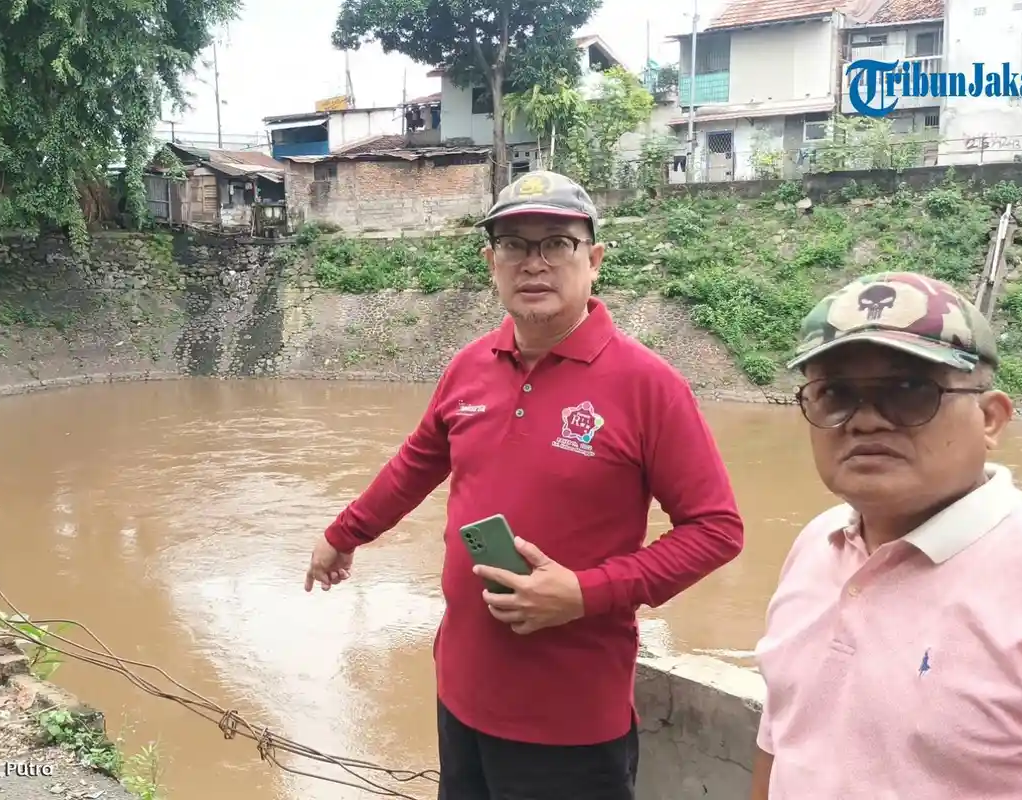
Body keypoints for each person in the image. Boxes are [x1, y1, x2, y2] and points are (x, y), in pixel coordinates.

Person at [304, 170, 745, 799]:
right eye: (513, 244)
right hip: (461, 697)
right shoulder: (469, 366)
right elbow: (414, 466)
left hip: (571, 722)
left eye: (556, 243)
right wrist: (342, 534)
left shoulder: (649, 387)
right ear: (492, 262)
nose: (533, 262)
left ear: (593, 259)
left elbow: (716, 530)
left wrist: (585, 592)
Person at [750, 271, 1022, 799]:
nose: (865, 422)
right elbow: (781, 738)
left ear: (991, 419)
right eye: (834, 394)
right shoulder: (816, 544)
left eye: (908, 391)